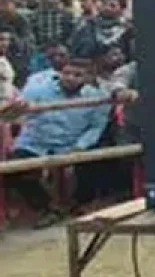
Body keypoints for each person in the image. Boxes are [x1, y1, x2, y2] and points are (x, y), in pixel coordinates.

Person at [1, 54, 115, 217]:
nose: (70, 78)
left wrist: (79, 147)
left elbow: (96, 128)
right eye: (66, 73)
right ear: (60, 73)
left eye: (77, 75)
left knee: (98, 161)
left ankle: (79, 204)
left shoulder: (97, 97)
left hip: (70, 145)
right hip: (36, 142)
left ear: (87, 78)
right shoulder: (37, 89)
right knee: (13, 170)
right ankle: (46, 209)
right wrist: (17, 109)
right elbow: (12, 117)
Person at [68, 0, 132, 62]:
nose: (107, 8)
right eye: (104, 4)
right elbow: (73, 50)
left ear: (122, 9)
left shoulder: (126, 30)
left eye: (112, 6)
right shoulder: (88, 25)